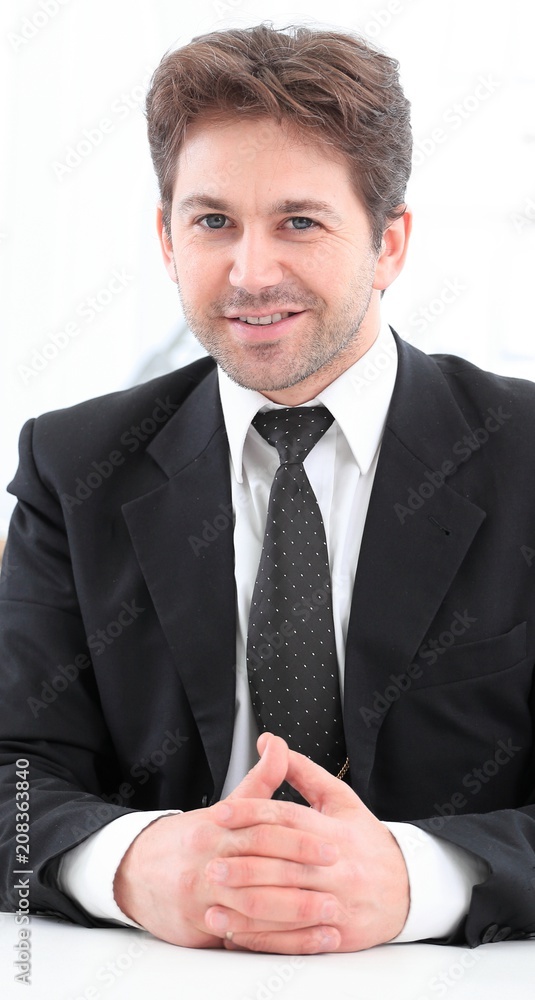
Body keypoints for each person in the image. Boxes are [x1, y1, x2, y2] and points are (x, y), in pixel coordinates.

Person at [0, 22, 534, 956]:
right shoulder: (74, 464)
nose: (250, 274)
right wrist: (132, 862)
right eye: (212, 222)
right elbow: (11, 776)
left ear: (390, 242)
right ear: (166, 240)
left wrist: (419, 877)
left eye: (299, 221)